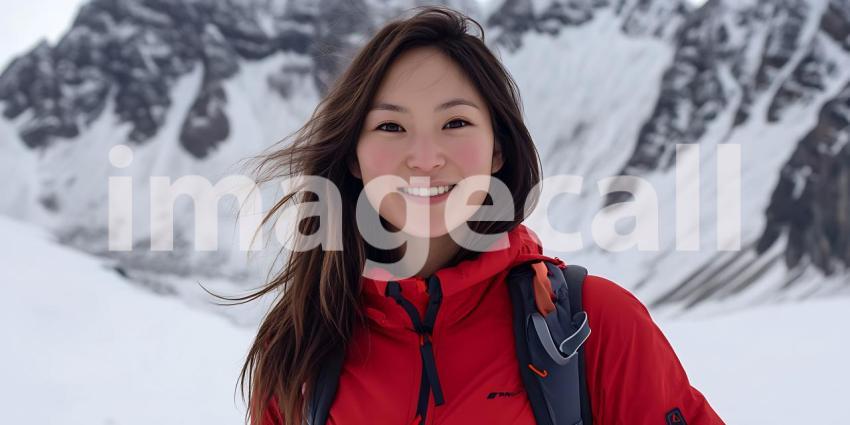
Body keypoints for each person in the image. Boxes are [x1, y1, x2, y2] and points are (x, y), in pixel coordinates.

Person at [237, 5, 725, 425]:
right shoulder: (300, 348)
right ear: (352, 156)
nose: (424, 157)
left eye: (455, 123)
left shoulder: (592, 325)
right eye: (390, 125)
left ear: (498, 151)